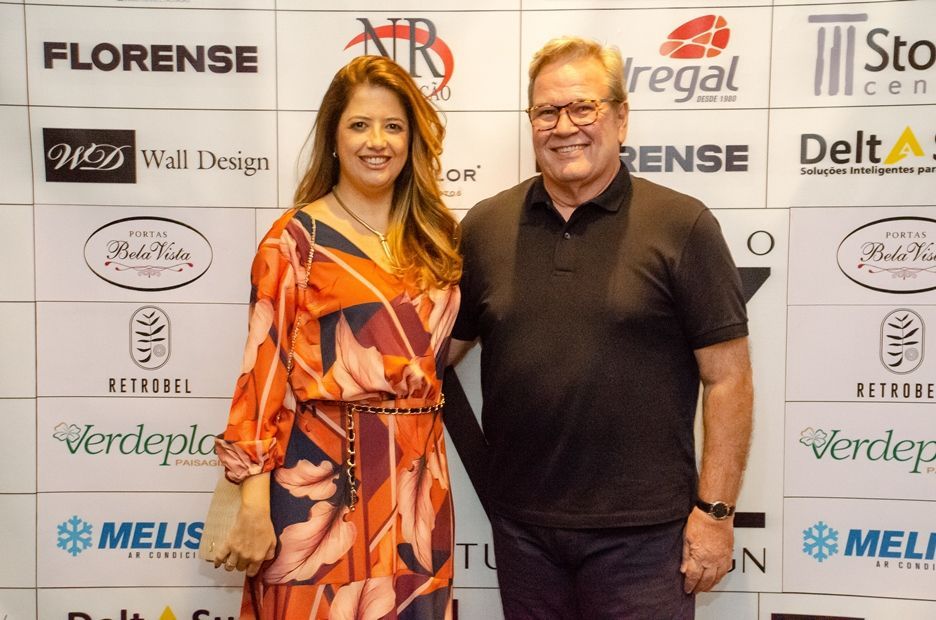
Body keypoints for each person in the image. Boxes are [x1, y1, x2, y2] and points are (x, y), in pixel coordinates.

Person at [446, 36, 753, 619]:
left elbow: (729, 379)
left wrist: (715, 513)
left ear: (621, 117)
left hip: (645, 538)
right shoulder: (485, 227)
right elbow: (433, 353)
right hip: (523, 533)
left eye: (583, 107)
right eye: (546, 112)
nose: (565, 127)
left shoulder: (682, 224)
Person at [212, 55, 462, 619]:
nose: (377, 141)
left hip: (420, 488)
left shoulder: (435, 239)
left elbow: (432, 351)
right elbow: (263, 374)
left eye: (393, 126)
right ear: (333, 137)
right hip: (322, 487)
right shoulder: (294, 241)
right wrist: (253, 502)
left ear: (412, 140)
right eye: (359, 125)